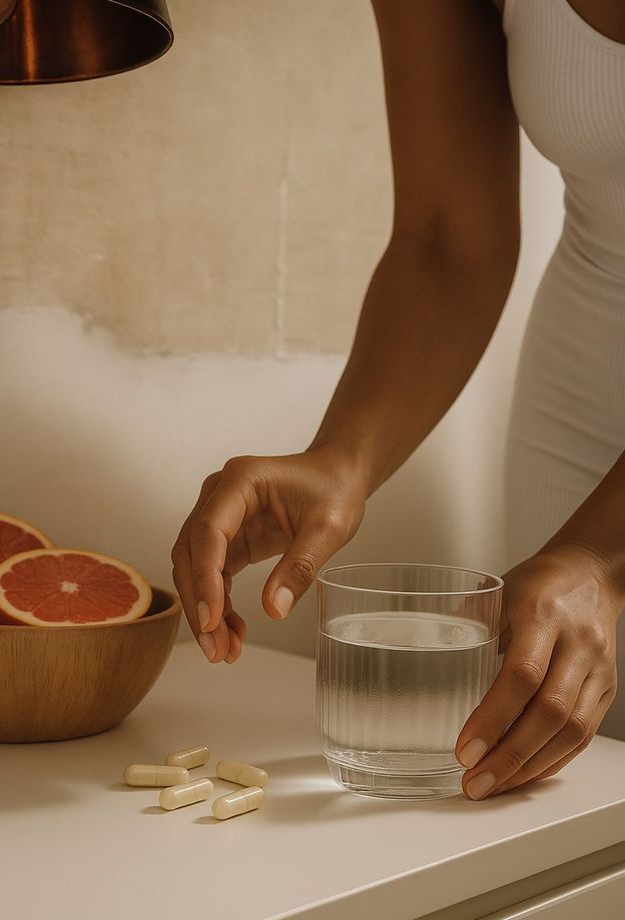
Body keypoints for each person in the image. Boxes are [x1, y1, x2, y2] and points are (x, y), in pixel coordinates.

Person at [171, 0, 625, 801]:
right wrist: (341, 459)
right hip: (586, 379)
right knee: (575, 796)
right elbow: (451, 233)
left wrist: (604, 554)